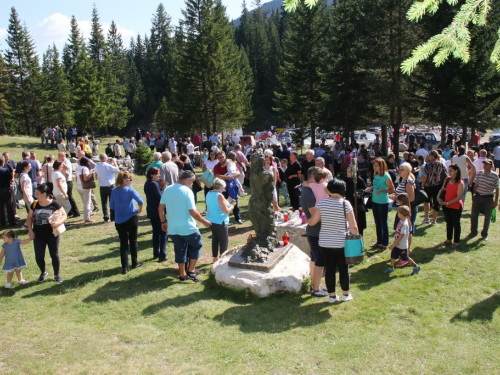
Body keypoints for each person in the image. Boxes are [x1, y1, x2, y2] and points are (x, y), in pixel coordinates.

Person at [307, 178, 358, 303]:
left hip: (325, 242)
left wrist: (307, 219)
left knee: (329, 269)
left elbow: (313, 221)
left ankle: (332, 296)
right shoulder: (345, 204)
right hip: (341, 242)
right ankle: (345, 294)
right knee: (343, 268)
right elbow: (353, 226)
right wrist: (355, 237)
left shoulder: (322, 203)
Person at [158, 170, 211, 281]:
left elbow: (160, 208)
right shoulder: (187, 191)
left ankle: (182, 274)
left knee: (180, 249)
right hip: (188, 227)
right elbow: (193, 212)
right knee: (197, 244)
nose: (192, 184)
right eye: (192, 182)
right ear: (186, 180)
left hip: (173, 227)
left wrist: (163, 222)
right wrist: (204, 221)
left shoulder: (168, 189)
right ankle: (191, 271)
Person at [26, 184, 67, 283]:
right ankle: (43, 272)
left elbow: (64, 215)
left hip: (52, 234)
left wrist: (58, 223)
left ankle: (57, 275)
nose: (35, 195)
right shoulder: (35, 204)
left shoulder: (55, 204)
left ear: (44, 194)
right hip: (38, 235)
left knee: (54, 254)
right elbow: (29, 218)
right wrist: (30, 231)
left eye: (37, 193)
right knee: (39, 256)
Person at [300, 167, 328, 298]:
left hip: (315, 231)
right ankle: (316, 290)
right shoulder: (309, 193)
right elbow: (313, 215)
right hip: (316, 231)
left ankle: (314, 284)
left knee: (314, 258)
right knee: (319, 261)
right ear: (314, 176)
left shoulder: (310, 189)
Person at [110, 171, 144, 274]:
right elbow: (141, 201)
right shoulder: (130, 190)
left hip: (119, 220)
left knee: (123, 243)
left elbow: (112, 207)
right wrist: (139, 211)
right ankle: (134, 262)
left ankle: (124, 267)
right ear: (124, 180)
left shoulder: (114, 191)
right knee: (133, 241)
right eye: (129, 179)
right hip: (131, 218)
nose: (131, 181)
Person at [365, 158, 395, 250]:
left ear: (381, 166)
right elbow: (376, 185)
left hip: (383, 202)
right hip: (375, 201)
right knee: (377, 223)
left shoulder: (386, 176)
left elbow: (392, 189)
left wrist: (382, 190)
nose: (374, 167)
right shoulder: (376, 175)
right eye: (374, 165)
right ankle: (379, 241)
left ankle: (385, 243)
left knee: (383, 223)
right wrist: (371, 188)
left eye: (376, 165)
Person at [383, 206, 421, 275]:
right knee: (393, 254)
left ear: (402, 214)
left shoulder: (404, 224)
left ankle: (416, 266)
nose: (397, 213)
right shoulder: (402, 220)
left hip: (402, 245)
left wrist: (393, 244)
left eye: (398, 212)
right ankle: (391, 268)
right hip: (398, 244)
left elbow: (401, 236)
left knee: (405, 257)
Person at [206, 178, 236, 262]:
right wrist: (232, 206)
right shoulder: (219, 195)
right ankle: (223, 259)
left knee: (215, 239)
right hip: (220, 221)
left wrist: (226, 202)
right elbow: (225, 210)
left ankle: (215, 258)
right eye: (223, 187)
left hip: (211, 220)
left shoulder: (209, 193)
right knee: (223, 241)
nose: (224, 189)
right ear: (219, 187)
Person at [468, 159, 499, 240]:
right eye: (484, 164)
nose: (485, 165)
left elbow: (497, 189)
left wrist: (495, 201)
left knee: (487, 217)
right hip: (478, 196)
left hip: (488, 198)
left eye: (487, 164)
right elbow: (476, 185)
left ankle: (484, 234)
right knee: (474, 215)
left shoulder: (495, 176)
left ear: (491, 166)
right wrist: (474, 195)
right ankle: (473, 232)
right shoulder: (480, 173)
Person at [144, 167, 168, 262]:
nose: (159, 175)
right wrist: (164, 190)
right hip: (157, 211)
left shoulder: (147, 183)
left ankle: (156, 252)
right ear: (151, 175)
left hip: (151, 211)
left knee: (155, 232)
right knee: (163, 232)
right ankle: (162, 254)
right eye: (157, 173)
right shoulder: (154, 184)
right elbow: (160, 197)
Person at [438, 164, 464, 247]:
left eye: (451, 171)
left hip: (455, 207)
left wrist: (448, 203)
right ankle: (449, 239)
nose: (449, 172)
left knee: (456, 224)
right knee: (448, 223)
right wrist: (438, 197)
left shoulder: (460, 183)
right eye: (448, 170)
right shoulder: (447, 179)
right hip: (446, 206)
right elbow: (442, 189)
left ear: (456, 171)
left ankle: (456, 241)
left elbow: (459, 197)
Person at [213, 151, 242, 224]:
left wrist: (232, 177)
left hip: (231, 188)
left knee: (233, 202)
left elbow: (238, 172)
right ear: (217, 158)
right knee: (223, 204)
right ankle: (224, 219)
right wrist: (226, 177)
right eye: (220, 157)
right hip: (223, 190)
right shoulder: (216, 167)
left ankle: (237, 218)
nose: (222, 159)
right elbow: (217, 176)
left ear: (225, 156)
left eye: (223, 157)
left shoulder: (230, 163)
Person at [422, 150, 447, 224]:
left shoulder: (428, 165)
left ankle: (426, 218)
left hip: (428, 185)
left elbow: (424, 176)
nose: (428, 156)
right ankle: (434, 220)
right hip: (438, 186)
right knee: (436, 202)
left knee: (426, 201)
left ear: (433, 156)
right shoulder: (441, 164)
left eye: (430, 155)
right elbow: (445, 175)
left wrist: (423, 184)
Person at [94, 154, 120, 222]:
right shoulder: (108, 166)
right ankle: (112, 217)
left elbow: (96, 173)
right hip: (110, 186)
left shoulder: (97, 166)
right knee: (112, 202)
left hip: (102, 186)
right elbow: (117, 170)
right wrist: (115, 162)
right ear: (105, 159)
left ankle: (106, 216)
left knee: (104, 202)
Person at [343, 166, 367, 236]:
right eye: (347, 171)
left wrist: (359, 193)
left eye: (350, 172)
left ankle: (360, 237)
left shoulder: (359, 180)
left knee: (359, 223)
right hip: (349, 203)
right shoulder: (345, 179)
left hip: (358, 204)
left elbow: (365, 190)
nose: (348, 173)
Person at [75, 157, 95, 223]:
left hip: (78, 186)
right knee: (87, 203)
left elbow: (76, 177)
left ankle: (89, 212)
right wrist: (91, 173)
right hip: (85, 187)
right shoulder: (85, 168)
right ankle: (87, 218)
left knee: (85, 201)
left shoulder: (77, 167)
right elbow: (86, 178)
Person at [0, 157, 15, 226]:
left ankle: (2, 222)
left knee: (1, 207)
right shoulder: (5, 170)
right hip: (6, 189)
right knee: (9, 206)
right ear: (3, 163)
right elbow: (10, 178)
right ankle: (11, 222)